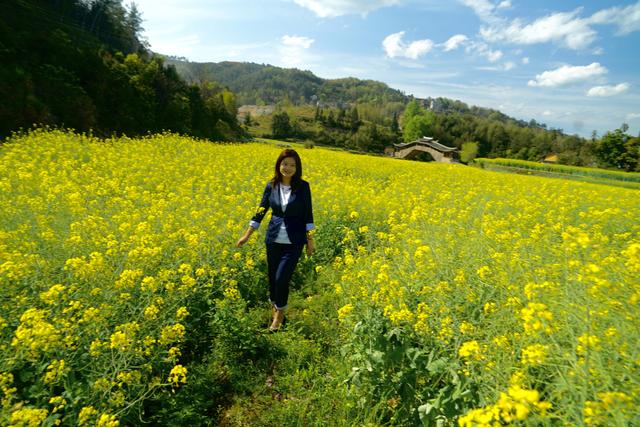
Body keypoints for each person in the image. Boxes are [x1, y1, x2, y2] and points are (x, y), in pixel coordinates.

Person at [236, 149, 315, 332]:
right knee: (272, 278)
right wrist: (246, 235)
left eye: (292, 165)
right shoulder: (271, 186)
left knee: (282, 278)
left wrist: (309, 240)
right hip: (273, 239)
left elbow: (308, 214)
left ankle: (278, 316)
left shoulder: (303, 187)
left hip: (294, 241)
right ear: (279, 165)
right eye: (285, 164)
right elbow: (261, 212)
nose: (288, 168)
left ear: (297, 168)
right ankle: (276, 306)